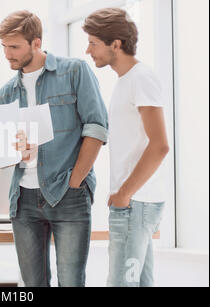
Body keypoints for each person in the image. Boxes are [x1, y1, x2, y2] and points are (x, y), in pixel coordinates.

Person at [0, 10, 109, 287]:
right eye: (4, 47)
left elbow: (96, 127)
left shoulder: (74, 71)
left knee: (71, 281)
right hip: (23, 199)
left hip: (68, 193)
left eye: (14, 47)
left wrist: (76, 180)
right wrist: (12, 150)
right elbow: (1, 149)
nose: (7, 54)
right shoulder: (6, 93)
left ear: (36, 43)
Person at [83, 8, 169, 287]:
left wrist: (125, 194)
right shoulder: (126, 81)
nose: (88, 50)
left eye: (94, 43)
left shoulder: (141, 78)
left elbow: (160, 146)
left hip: (136, 203)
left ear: (116, 44)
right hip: (134, 202)